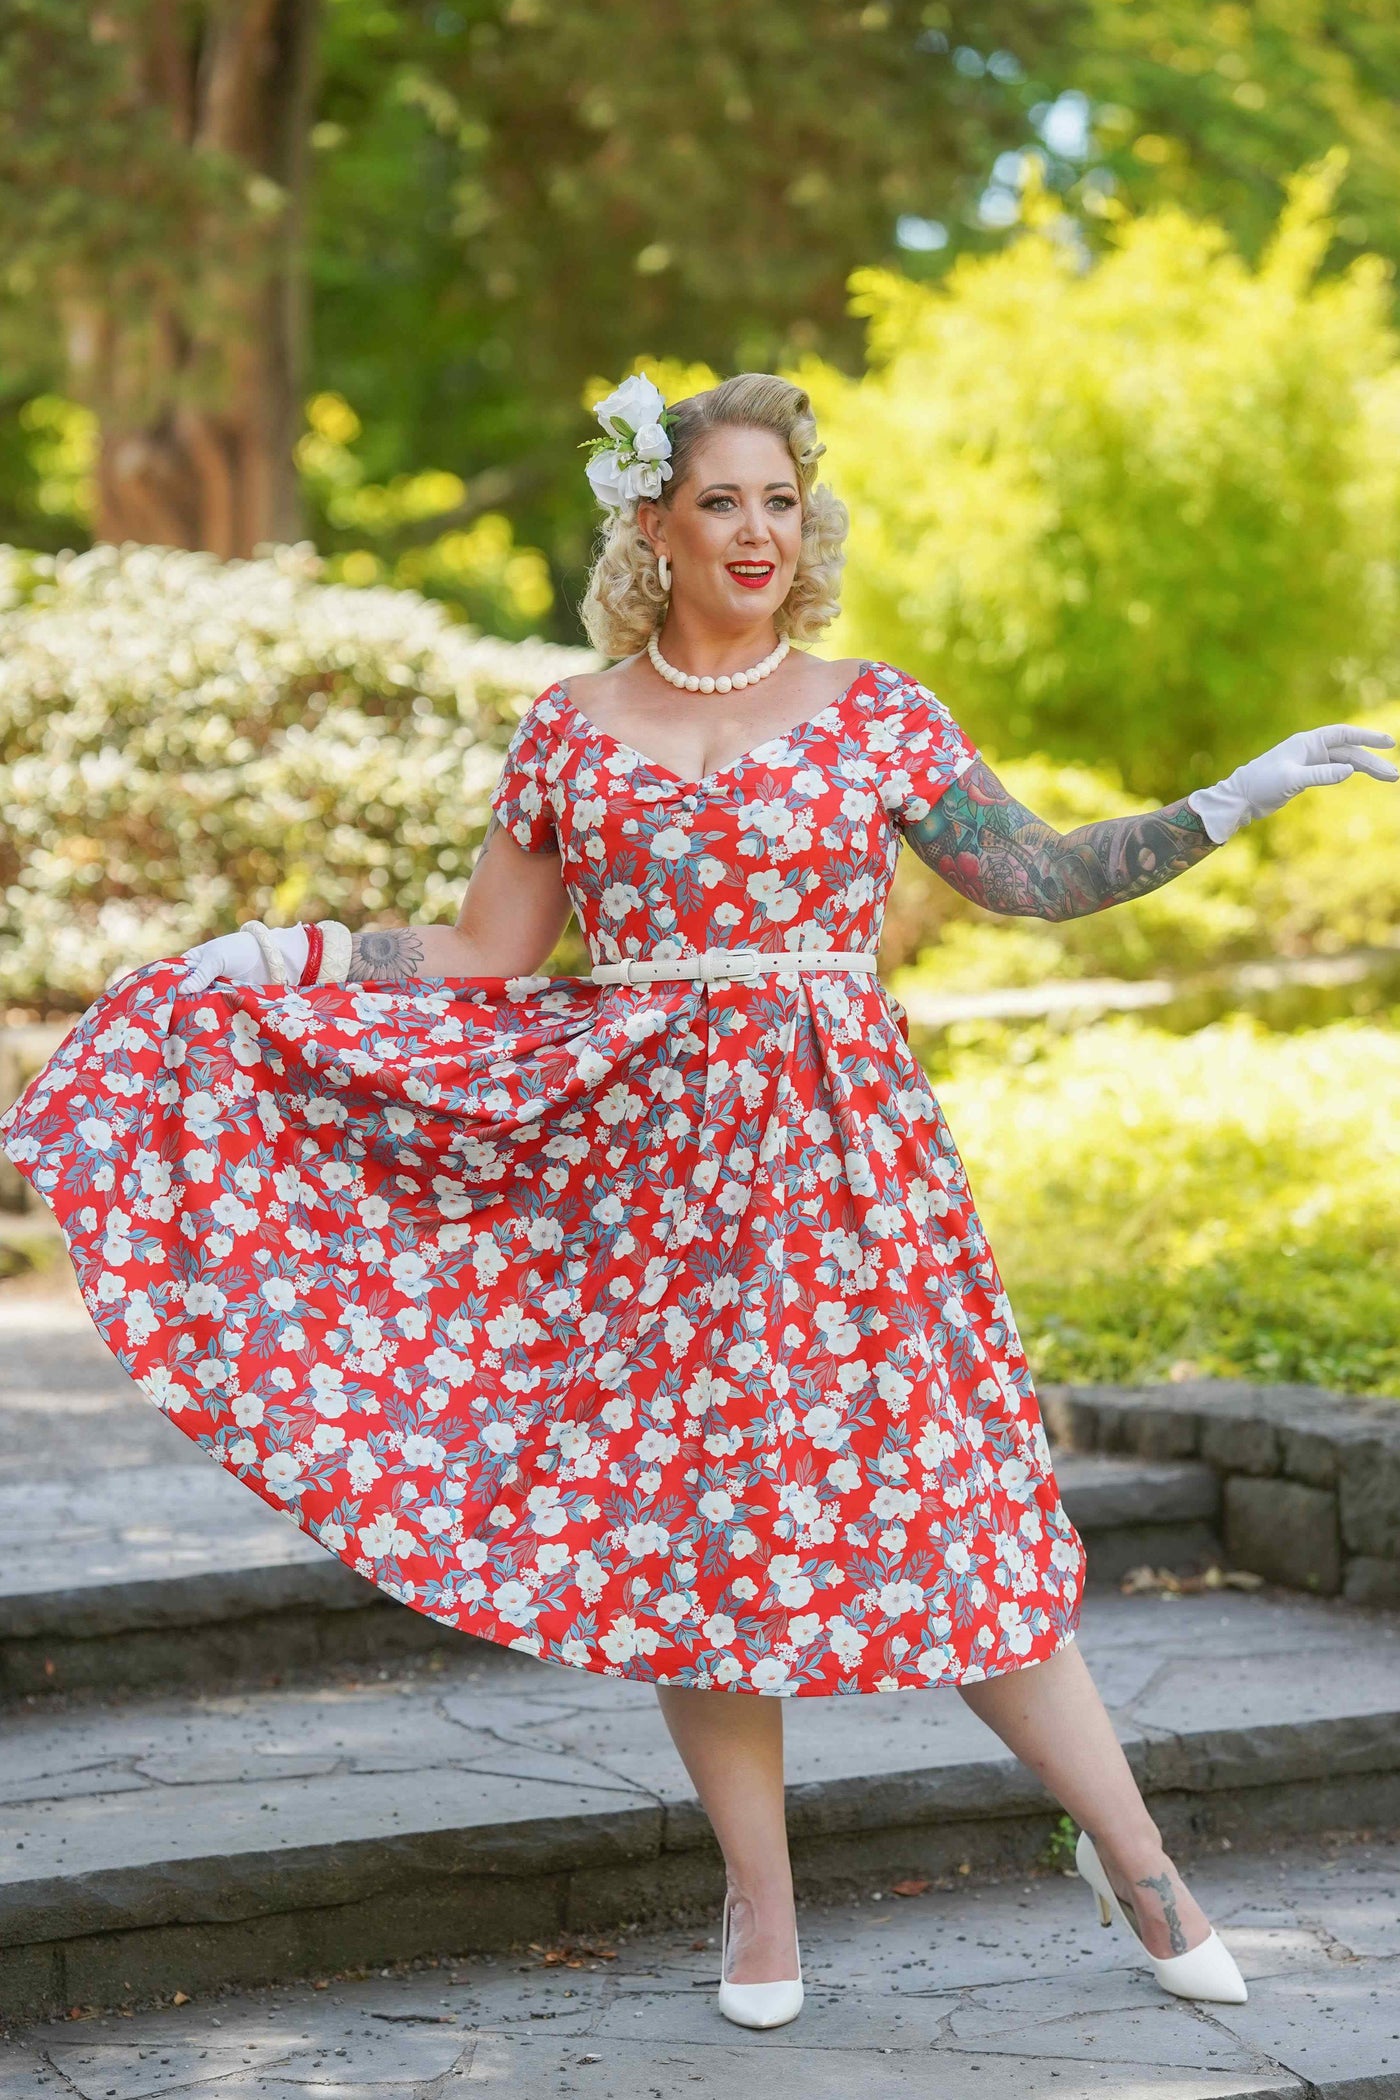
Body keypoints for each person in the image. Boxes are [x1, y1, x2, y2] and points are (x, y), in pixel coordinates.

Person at [2, 371, 1393, 2035]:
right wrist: (282, 956)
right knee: (698, 1529)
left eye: (780, 502)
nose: (755, 531)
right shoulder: (570, 725)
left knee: (951, 1506)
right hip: (647, 1179)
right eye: (720, 501)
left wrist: (1234, 798)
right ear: (650, 525)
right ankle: (763, 1899)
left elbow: (1040, 879)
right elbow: (485, 957)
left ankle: (1142, 1862)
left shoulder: (878, 710)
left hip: (851, 1174)